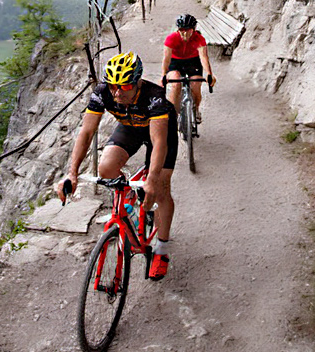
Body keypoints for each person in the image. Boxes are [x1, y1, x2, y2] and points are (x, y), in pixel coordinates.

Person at [55, 50, 176, 281]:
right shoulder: (103, 93)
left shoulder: (155, 96)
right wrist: (72, 173)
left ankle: (161, 249)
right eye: (112, 86)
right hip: (129, 126)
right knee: (106, 168)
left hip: (160, 133)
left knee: (160, 188)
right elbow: (87, 132)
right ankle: (131, 199)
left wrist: (151, 180)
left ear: (137, 82)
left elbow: (159, 143)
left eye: (124, 86)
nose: (117, 92)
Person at [162, 14, 216, 122]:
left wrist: (209, 74)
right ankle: (174, 115)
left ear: (194, 29)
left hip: (193, 61)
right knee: (176, 83)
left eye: (188, 30)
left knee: (195, 85)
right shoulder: (171, 38)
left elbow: (203, 57)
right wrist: (163, 75)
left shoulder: (199, 38)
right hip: (175, 62)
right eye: (182, 29)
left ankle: (196, 109)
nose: (185, 33)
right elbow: (166, 58)